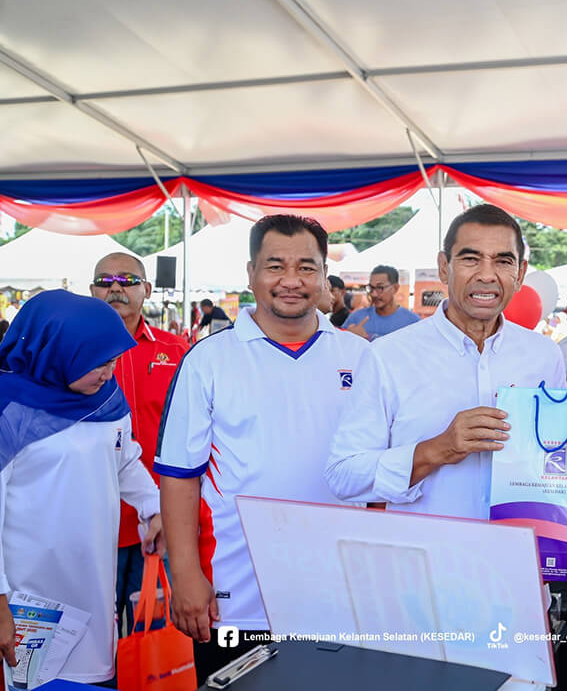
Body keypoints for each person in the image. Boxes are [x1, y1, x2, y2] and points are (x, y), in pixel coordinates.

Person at [156, 214, 372, 683]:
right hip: (237, 596)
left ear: (324, 276)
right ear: (251, 273)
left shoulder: (361, 358)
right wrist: (186, 575)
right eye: (275, 266)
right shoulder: (209, 360)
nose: (291, 281)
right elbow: (178, 476)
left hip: (339, 596)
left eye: (306, 267)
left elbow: (379, 470)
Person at [326, 204, 566, 518]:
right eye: (470, 259)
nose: (486, 275)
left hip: (520, 543)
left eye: (503, 261)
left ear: (520, 274)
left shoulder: (544, 356)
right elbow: (343, 475)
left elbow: (558, 459)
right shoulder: (389, 356)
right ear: (443, 268)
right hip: (424, 548)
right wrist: (438, 449)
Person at [0, 291, 163, 684]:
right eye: (98, 363)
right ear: (57, 351)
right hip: (26, 593)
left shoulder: (105, 398)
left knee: (92, 675)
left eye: (112, 361)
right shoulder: (9, 409)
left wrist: (154, 507)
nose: (108, 373)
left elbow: (124, 460)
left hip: (94, 582)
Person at [89, 252, 189, 634]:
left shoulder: (176, 350)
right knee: (95, 636)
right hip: (96, 525)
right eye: (105, 281)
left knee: (158, 635)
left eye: (127, 280)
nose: (116, 288)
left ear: (146, 289)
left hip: (162, 520)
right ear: (92, 290)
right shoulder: (73, 354)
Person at [344, 265, 420, 340]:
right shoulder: (356, 317)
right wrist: (350, 337)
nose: (374, 294)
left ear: (395, 288)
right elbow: (340, 343)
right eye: (371, 288)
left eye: (380, 288)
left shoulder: (412, 322)